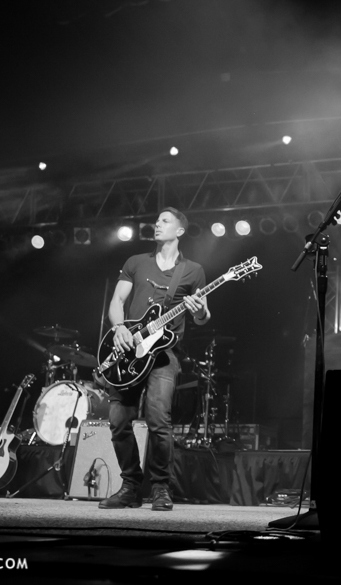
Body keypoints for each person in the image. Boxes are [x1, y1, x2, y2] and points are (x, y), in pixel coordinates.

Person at [98, 207, 211, 511]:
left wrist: (199, 309)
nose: (157, 224)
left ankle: (161, 488)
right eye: (157, 220)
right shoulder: (136, 262)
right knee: (118, 421)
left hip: (164, 355)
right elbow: (117, 302)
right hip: (129, 351)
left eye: (164, 221)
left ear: (180, 231)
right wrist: (119, 328)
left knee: (159, 420)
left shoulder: (193, 270)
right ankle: (130, 487)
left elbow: (202, 317)